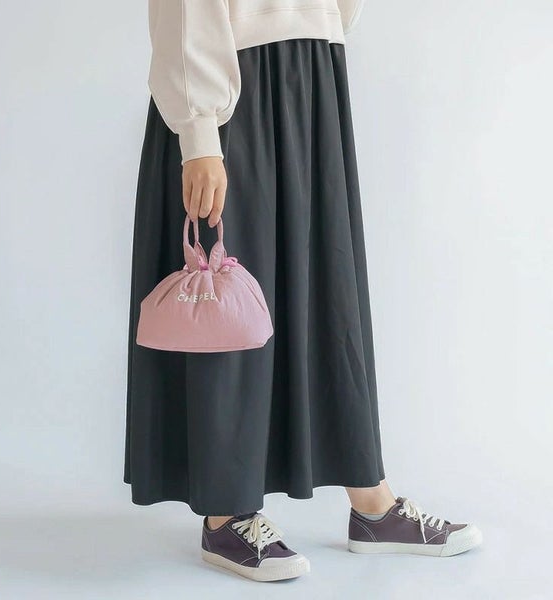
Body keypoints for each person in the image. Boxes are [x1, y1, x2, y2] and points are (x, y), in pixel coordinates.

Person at [124, 0, 482, 582]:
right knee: (229, 305)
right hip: (235, 84)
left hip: (312, 74)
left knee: (327, 290)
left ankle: (371, 502)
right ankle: (226, 513)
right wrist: (200, 133)